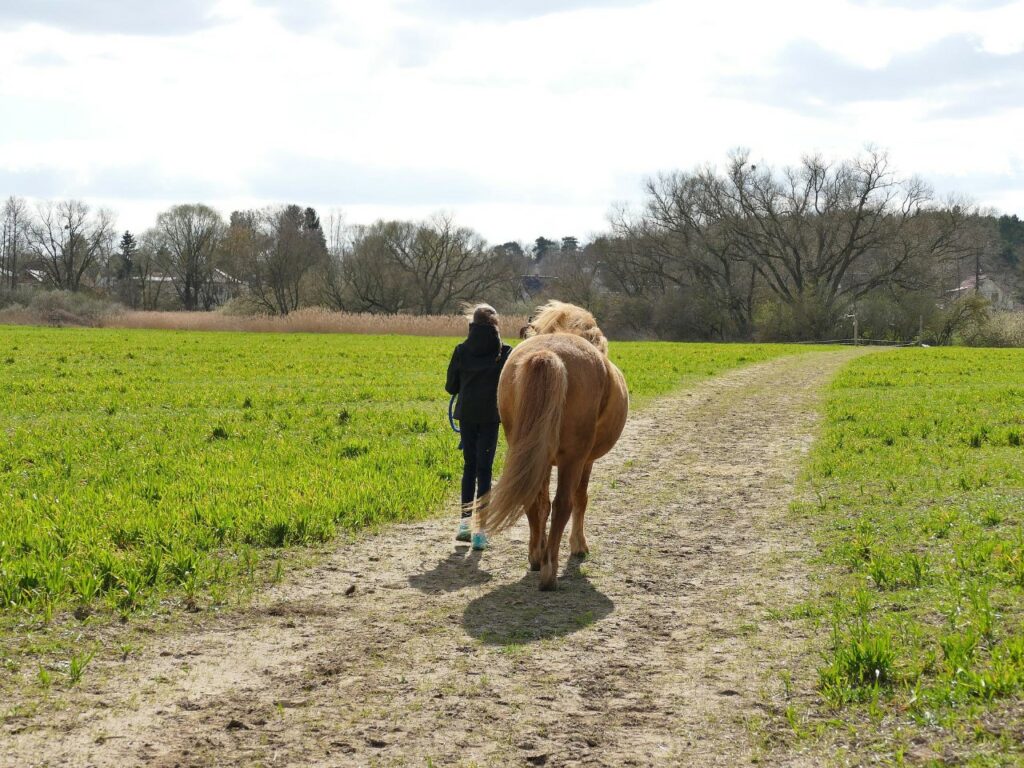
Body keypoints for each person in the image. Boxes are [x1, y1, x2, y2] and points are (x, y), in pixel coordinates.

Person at [445, 303, 512, 550]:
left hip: (467, 416)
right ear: (495, 325)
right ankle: (481, 532)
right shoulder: (504, 352)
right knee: (485, 471)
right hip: (490, 417)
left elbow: (451, 387)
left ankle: (464, 524)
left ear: (472, 324)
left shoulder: (461, 350)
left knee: (469, 468)